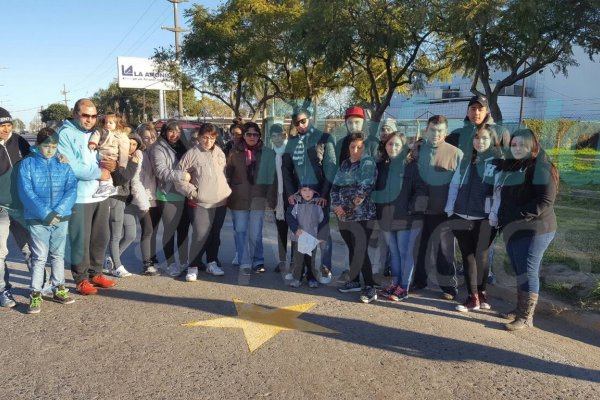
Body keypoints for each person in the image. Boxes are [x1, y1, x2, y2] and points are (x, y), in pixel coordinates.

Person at [490, 129, 558, 331]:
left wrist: (518, 215)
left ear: (533, 146)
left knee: (528, 271)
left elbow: (545, 200)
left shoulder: (541, 167)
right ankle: (519, 308)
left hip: (535, 229)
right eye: (514, 145)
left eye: (522, 145)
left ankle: (526, 317)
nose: (517, 148)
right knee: (520, 270)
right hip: (514, 228)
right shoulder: (516, 164)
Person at [57, 98, 117, 295]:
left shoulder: (96, 133)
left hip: (100, 194)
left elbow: (106, 155)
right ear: (75, 114)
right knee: (80, 240)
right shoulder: (65, 134)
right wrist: (100, 173)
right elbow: (72, 167)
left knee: (101, 237)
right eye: (85, 115)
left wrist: (111, 165)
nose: (90, 120)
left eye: (93, 116)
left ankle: (96, 273)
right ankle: (81, 279)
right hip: (79, 197)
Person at [17, 128, 77, 313]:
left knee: (58, 255)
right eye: (46, 146)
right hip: (37, 219)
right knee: (40, 257)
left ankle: (59, 288)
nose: (50, 150)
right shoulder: (27, 164)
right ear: (38, 144)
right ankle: (36, 293)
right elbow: (26, 192)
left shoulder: (63, 164)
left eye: (53, 146)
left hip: (61, 217)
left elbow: (72, 188)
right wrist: (46, 214)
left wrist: (58, 211)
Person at [445, 125, 502, 312]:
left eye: (484, 138)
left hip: (485, 219)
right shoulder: (466, 160)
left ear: (493, 140)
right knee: (468, 256)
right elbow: (454, 185)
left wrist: (493, 215)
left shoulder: (499, 162)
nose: (480, 141)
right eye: (477, 138)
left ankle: (482, 291)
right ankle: (472, 297)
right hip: (460, 215)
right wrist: (450, 209)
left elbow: (499, 192)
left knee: (482, 257)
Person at [411, 115, 463, 300]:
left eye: (440, 130)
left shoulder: (456, 153)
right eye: (432, 129)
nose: (436, 133)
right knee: (420, 248)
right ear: (426, 130)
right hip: (419, 210)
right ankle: (419, 280)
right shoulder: (417, 151)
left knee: (444, 251)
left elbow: (461, 184)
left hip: (443, 212)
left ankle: (449, 287)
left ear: (446, 132)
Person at [282, 108, 336, 283]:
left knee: (321, 231)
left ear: (310, 119)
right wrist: (290, 193)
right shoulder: (291, 143)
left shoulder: (326, 139)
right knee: (298, 229)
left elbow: (330, 168)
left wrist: (324, 194)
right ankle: (298, 267)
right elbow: (286, 169)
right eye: (296, 123)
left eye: (303, 121)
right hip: (299, 194)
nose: (300, 125)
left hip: (320, 195)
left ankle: (324, 267)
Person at [372, 133, 427, 301]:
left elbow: (421, 190)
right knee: (394, 253)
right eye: (390, 144)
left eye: (397, 145)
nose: (393, 148)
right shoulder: (381, 166)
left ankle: (404, 287)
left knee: (405, 253)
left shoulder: (413, 166)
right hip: (386, 217)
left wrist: (410, 209)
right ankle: (394, 283)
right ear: (385, 145)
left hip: (406, 218)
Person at [176, 123, 231, 282]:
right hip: (199, 203)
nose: (208, 141)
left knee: (215, 235)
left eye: (212, 138)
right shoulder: (191, 154)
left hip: (220, 202)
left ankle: (212, 262)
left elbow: (222, 173)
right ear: (199, 137)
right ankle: (193, 266)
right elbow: (179, 178)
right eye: (205, 137)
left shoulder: (219, 152)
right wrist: (192, 192)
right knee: (200, 235)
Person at [331, 132, 378, 303]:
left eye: (360, 147)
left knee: (360, 250)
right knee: (352, 248)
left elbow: (363, 190)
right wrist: (336, 206)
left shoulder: (367, 163)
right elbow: (335, 186)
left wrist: (345, 208)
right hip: (343, 216)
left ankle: (370, 287)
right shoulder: (344, 164)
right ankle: (355, 280)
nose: (356, 150)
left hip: (361, 215)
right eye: (353, 147)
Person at [225, 122, 276, 275]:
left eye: (255, 134)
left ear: (259, 136)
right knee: (240, 231)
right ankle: (244, 261)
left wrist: (271, 199)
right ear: (244, 136)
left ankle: (258, 260)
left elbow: (272, 178)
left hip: (258, 198)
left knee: (256, 233)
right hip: (238, 198)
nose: (252, 137)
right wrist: (226, 196)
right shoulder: (234, 153)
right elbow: (227, 175)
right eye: (249, 134)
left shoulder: (267, 153)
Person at [0, 107, 33, 308]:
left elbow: (33, 163)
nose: (6, 129)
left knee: (30, 247)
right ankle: (4, 290)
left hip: (21, 207)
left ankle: (41, 284)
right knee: (0, 253)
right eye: (1, 126)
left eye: (8, 125)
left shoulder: (19, 140)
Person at [150, 119, 191, 277]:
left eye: (178, 131)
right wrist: (183, 175)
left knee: (184, 231)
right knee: (170, 231)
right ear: (165, 132)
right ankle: (171, 263)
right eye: (171, 131)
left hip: (185, 194)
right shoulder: (158, 148)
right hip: (168, 196)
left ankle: (184, 260)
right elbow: (161, 172)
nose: (175, 134)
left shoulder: (185, 146)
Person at [105, 134, 145, 278]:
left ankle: (110, 259)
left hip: (128, 201)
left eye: (135, 144)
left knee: (130, 235)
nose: (131, 147)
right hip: (115, 198)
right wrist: (132, 164)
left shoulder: (135, 159)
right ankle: (117, 265)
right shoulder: (114, 158)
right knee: (115, 235)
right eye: (129, 143)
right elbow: (121, 179)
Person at [285, 183, 327, 288]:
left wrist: (321, 234)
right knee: (298, 259)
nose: (307, 193)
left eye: (310, 190)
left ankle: (311, 277)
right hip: (298, 236)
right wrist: (295, 229)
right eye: (304, 190)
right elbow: (289, 216)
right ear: (299, 192)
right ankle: (297, 278)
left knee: (310, 259)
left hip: (312, 237)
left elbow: (323, 220)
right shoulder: (295, 203)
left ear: (315, 192)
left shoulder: (318, 204)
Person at [136, 123, 160, 275]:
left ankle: (152, 255)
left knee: (154, 229)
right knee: (148, 229)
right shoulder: (139, 155)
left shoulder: (156, 152)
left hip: (156, 197)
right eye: (146, 138)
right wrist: (142, 199)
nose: (150, 140)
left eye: (153, 137)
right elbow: (136, 181)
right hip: (144, 197)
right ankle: (147, 264)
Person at [88, 112, 130, 198]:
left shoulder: (121, 135)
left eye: (110, 123)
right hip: (101, 155)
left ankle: (106, 186)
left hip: (111, 156)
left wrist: (122, 165)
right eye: (106, 122)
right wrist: (93, 143)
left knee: (105, 169)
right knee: (102, 169)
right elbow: (95, 136)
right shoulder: (101, 131)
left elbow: (124, 151)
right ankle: (106, 186)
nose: (107, 124)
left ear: (117, 124)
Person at [270, 123, 291, 273]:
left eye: (280, 135)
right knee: (281, 231)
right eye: (274, 135)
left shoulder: (291, 152)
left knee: (297, 231)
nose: (277, 138)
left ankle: (298, 261)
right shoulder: (270, 155)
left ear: (285, 135)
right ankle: (283, 260)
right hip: (278, 200)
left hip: (292, 198)